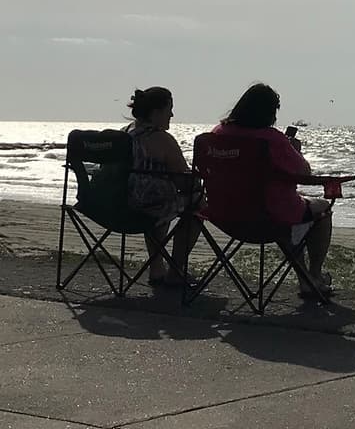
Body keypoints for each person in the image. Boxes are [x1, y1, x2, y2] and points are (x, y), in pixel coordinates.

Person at [211, 82, 335, 299]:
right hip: (268, 217)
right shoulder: (271, 139)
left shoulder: (218, 133)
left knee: (286, 216)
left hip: (225, 215)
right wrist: (294, 150)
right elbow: (304, 173)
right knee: (321, 208)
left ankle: (305, 278)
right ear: (270, 112)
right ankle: (313, 276)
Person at [123, 86, 203, 287]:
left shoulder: (125, 134)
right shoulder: (162, 139)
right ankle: (175, 269)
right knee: (198, 203)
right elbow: (184, 181)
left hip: (122, 204)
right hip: (150, 206)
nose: (172, 115)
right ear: (156, 112)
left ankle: (157, 268)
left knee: (160, 200)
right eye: (169, 109)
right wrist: (199, 178)